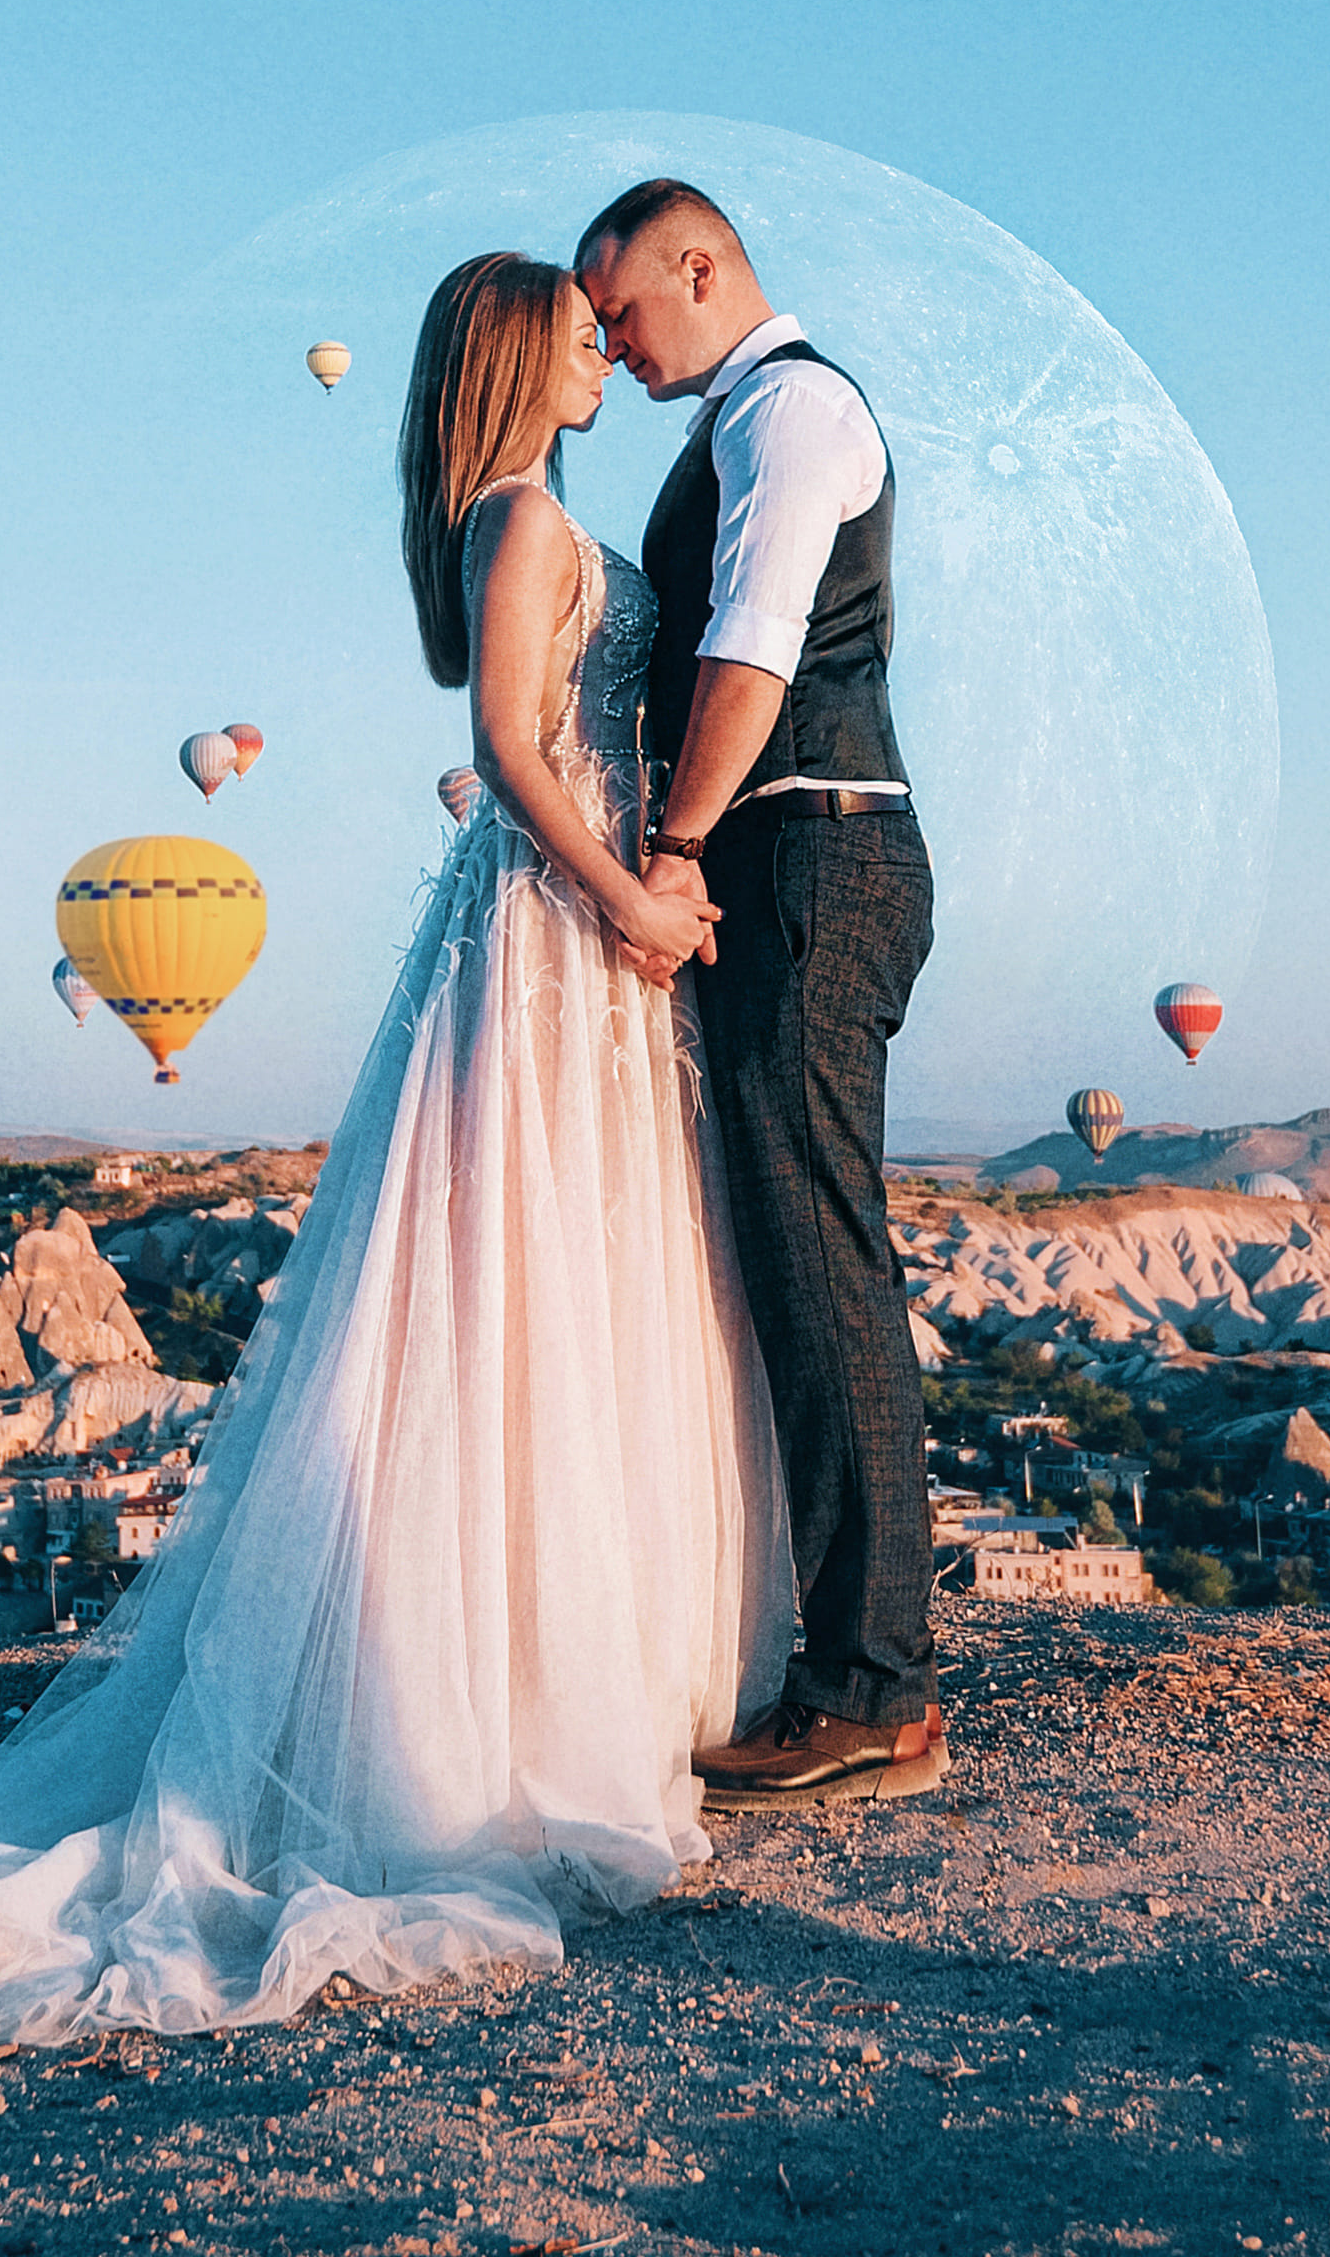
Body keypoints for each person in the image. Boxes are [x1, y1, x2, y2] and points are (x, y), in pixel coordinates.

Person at [0, 250, 774, 2046]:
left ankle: (566, 1685)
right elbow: (501, 743)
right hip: (564, 928)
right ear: (511, 354)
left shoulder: (527, 516)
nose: (602, 350)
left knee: (568, 1287)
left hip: (578, 943)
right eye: (577, 332)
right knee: (521, 1298)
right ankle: (482, 1722)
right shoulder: (523, 522)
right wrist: (631, 884)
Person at [571, 175, 944, 1809]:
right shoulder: (748, 415)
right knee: (785, 1255)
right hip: (803, 856)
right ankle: (843, 1663)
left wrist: (673, 845)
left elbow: (755, 646)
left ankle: (871, 1690)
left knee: (819, 1259)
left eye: (624, 311)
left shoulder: (789, 413)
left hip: (805, 857)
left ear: (702, 265)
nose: (609, 343)